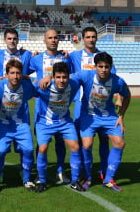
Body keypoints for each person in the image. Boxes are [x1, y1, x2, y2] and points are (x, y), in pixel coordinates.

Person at [72, 52, 131, 192]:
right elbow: (67, 79)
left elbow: (127, 96)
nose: (104, 70)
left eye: (107, 67)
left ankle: (108, 179)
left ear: (111, 67)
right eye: (101, 66)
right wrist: (50, 76)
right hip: (89, 116)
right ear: (95, 67)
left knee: (120, 142)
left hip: (109, 116)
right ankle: (87, 177)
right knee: (86, 145)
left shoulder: (118, 81)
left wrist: (121, 116)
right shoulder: (86, 75)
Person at [69, 26, 116, 185]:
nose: (91, 39)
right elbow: (62, 70)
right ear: (83, 38)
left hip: (103, 106)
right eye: (88, 37)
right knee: (83, 141)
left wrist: (119, 98)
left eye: (93, 36)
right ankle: (84, 172)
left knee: (104, 140)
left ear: (97, 38)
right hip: (81, 104)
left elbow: (114, 79)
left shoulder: (104, 58)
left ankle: (104, 171)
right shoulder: (74, 56)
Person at [29, 29, 71, 185]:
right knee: (41, 142)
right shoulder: (36, 59)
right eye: (50, 38)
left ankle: (60, 171)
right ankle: (40, 173)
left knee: (61, 141)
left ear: (59, 40)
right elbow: (23, 73)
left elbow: (72, 76)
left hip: (61, 106)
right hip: (42, 107)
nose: (53, 40)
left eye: (55, 38)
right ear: (44, 40)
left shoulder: (66, 58)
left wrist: (51, 76)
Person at [34, 62, 84, 193]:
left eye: (64, 77)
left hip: (64, 122)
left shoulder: (73, 84)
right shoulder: (43, 86)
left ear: (69, 77)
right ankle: (42, 181)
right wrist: (46, 78)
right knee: (43, 148)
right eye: (58, 77)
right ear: (53, 77)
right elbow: (24, 82)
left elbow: (83, 76)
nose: (62, 80)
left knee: (75, 146)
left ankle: (75, 181)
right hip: (45, 122)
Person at [0, 59, 37, 193]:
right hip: (2, 124)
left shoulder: (27, 87)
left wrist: (30, 79)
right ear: (7, 74)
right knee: (1, 151)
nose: (15, 76)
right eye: (12, 73)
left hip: (21, 124)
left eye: (18, 73)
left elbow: (39, 91)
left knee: (28, 149)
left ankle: (27, 179)